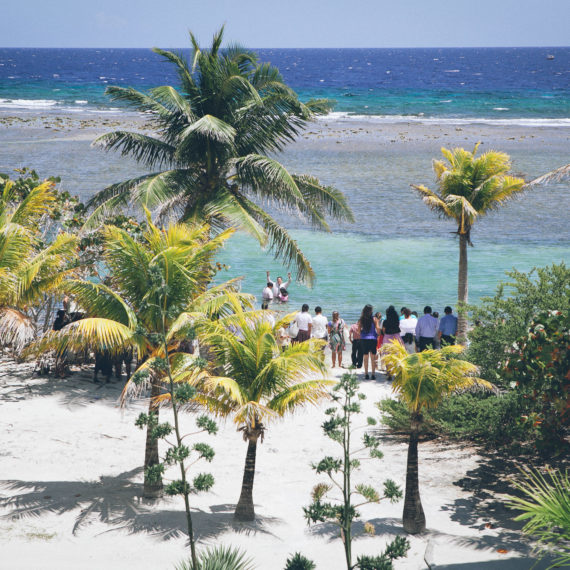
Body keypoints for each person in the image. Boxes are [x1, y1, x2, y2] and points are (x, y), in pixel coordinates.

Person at [358, 304, 380, 380]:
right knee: (373, 357)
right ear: (371, 311)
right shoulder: (374, 319)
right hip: (373, 339)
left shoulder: (362, 319)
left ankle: (366, 374)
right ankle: (373, 374)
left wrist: (362, 333)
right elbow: (377, 328)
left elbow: (358, 330)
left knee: (365, 357)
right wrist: (378, 334)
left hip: (364, 339)